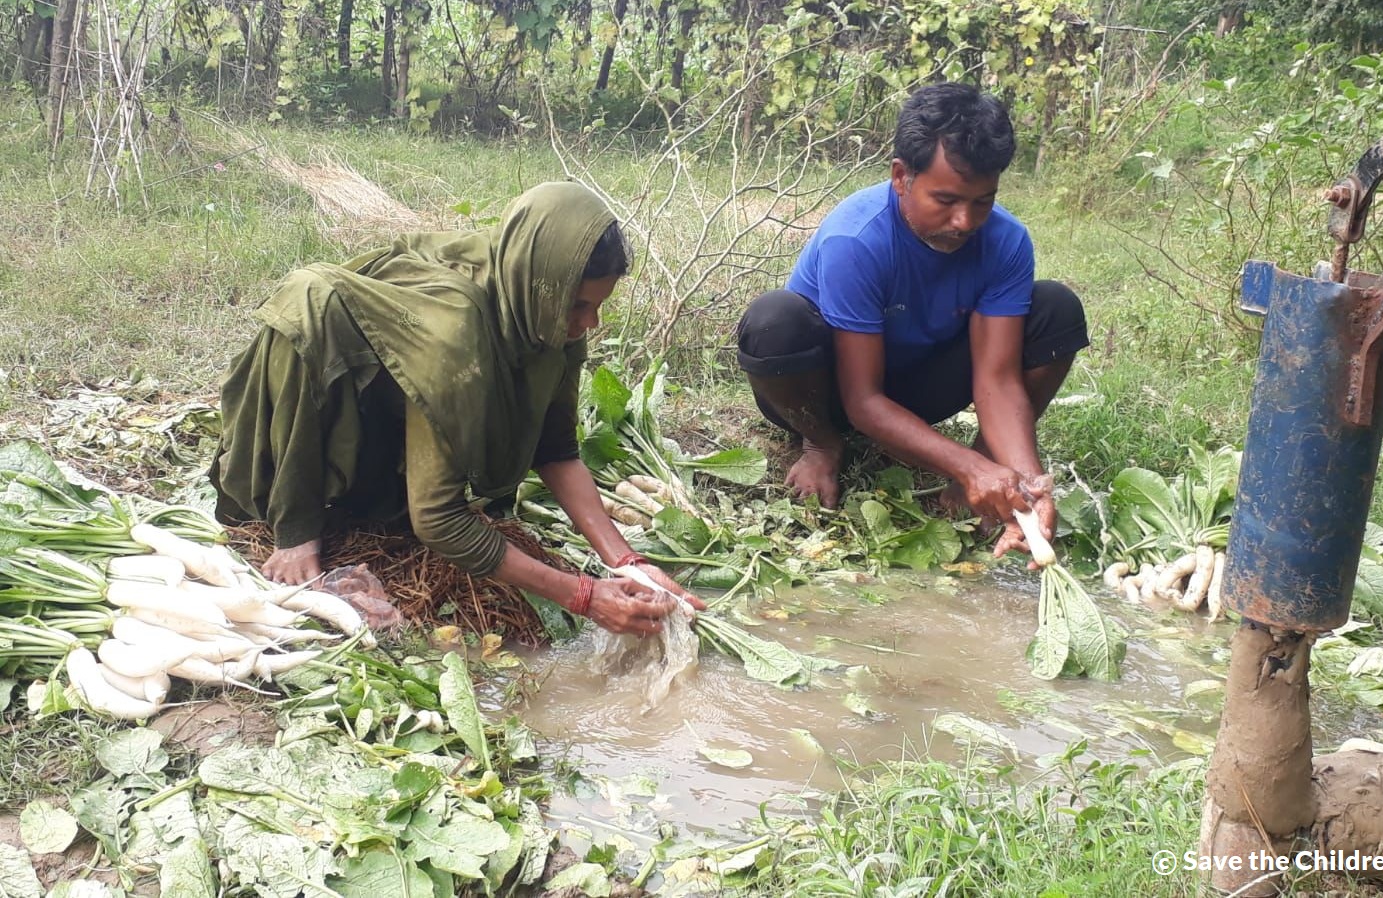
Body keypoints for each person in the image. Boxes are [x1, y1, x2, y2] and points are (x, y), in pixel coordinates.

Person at [210, 181, 703, 636]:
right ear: (542, 283)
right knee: (312, 303)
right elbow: (439, 521)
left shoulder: (543, 309)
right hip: (325, 380)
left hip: (396, 392)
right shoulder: (459, 333)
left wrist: (625, 562)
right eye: (578, 306)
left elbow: (556, 449)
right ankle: (295, 530)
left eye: (598, 306)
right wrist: (584, 595)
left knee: (391, 512)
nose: (589, 322)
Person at [736, 82, 1089, 564]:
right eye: (945, 200)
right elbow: (863, 400)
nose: (965, 221)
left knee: (1055, 309)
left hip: (919, 386)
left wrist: (1026, 481)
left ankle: (990, 474)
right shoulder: (857, 239)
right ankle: (820, 445)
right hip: (828, 392)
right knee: (773, 320)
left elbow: (998, 378)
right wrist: (969, 468)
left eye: (982, 201)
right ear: (901, 176)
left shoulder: (1006, 242)